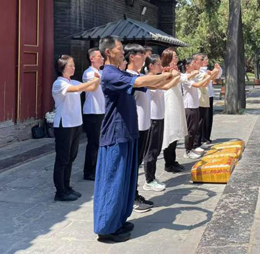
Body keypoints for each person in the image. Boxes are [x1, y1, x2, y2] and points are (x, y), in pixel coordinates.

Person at [93, 36, 172, 243]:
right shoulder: (109, 74)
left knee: (125, 182)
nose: (123, 52)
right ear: (108, 52)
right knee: (113, 181)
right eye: (120, 49)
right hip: (115, 135)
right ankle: (106, 228)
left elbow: (147, 82)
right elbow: (139, 81)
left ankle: (118, 220)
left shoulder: (119, 72)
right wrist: (166, 74)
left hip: (128, 132)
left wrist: (166, 76)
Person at [52, 55, 100, 202]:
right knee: (62, 159)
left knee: (71, 157)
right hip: (64, 125)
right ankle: (60, 191)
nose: (73, 67)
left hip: (75, 123)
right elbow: (78, 88)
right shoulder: (59, 83)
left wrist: (97, 80)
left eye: (73, 65)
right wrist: (94, 80)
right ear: (62, 68)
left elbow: (91, 88)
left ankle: (67, 187)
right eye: (70, 65)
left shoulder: (72, 81)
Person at [144, 54, 181, 191]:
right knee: (151, 150)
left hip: (159, 116)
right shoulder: (148, 79)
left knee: (156, 149)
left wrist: (172, 75)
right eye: (158, 64)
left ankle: (152, 177)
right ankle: (149, 180)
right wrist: (174, 76)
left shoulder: (156, 77)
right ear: (151, 66)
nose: (161, 66)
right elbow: (166, 86)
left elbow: (167, 83)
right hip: (152, 117)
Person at [124, 43, 154, 212]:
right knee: (133, 164)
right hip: (136, 126)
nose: (144, 58)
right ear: (131, 57)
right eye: (141, 55)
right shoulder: (129, 76)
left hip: (144, 124)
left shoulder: (139, 75)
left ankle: (134, 194)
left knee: (138, 163)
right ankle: (132, 198)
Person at [182, 58, 218, 159]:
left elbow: (203, 84)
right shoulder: (185, 77)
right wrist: (208, 77)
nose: (194, 65)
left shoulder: (192, 76)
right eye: (192, 63)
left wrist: (209, 78)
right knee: (190, 130)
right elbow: (198, 85)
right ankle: (187, 150)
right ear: (186, 66)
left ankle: (192, 148)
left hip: (195, 104)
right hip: (188, 105)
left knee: (194, 128)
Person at [161, 48, 188, 173]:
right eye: (174, 56)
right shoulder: (165, 70)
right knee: (170, 131)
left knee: (176, 130)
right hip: (170, 103)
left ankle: (173, 160)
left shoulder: (174, 70)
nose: (176, 58)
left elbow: (181, 77)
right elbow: (176, 77)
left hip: (176, 102)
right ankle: (168, 162)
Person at [82, 48, 105, 181]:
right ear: (92, 59)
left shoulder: (100, 72)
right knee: (93, 143)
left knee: (99, 142)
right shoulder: (89, 73)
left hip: (100, 110)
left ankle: (96, 168)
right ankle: (89, 171)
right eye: (99, 56)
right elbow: (94, 86)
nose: (102, 58)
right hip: (92, 111)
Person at [201, 55, 222, 146]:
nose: (207, 61)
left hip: (209, 94)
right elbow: (210, 76)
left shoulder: (206, 70)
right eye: (205, 59)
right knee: (204, 117)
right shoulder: (200, 70)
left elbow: (214, 76)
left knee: (209, 117)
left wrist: (217, 70)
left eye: (207, 59)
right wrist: (215, 71)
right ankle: (202, 137)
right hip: (203, 96)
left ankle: (207, 136)